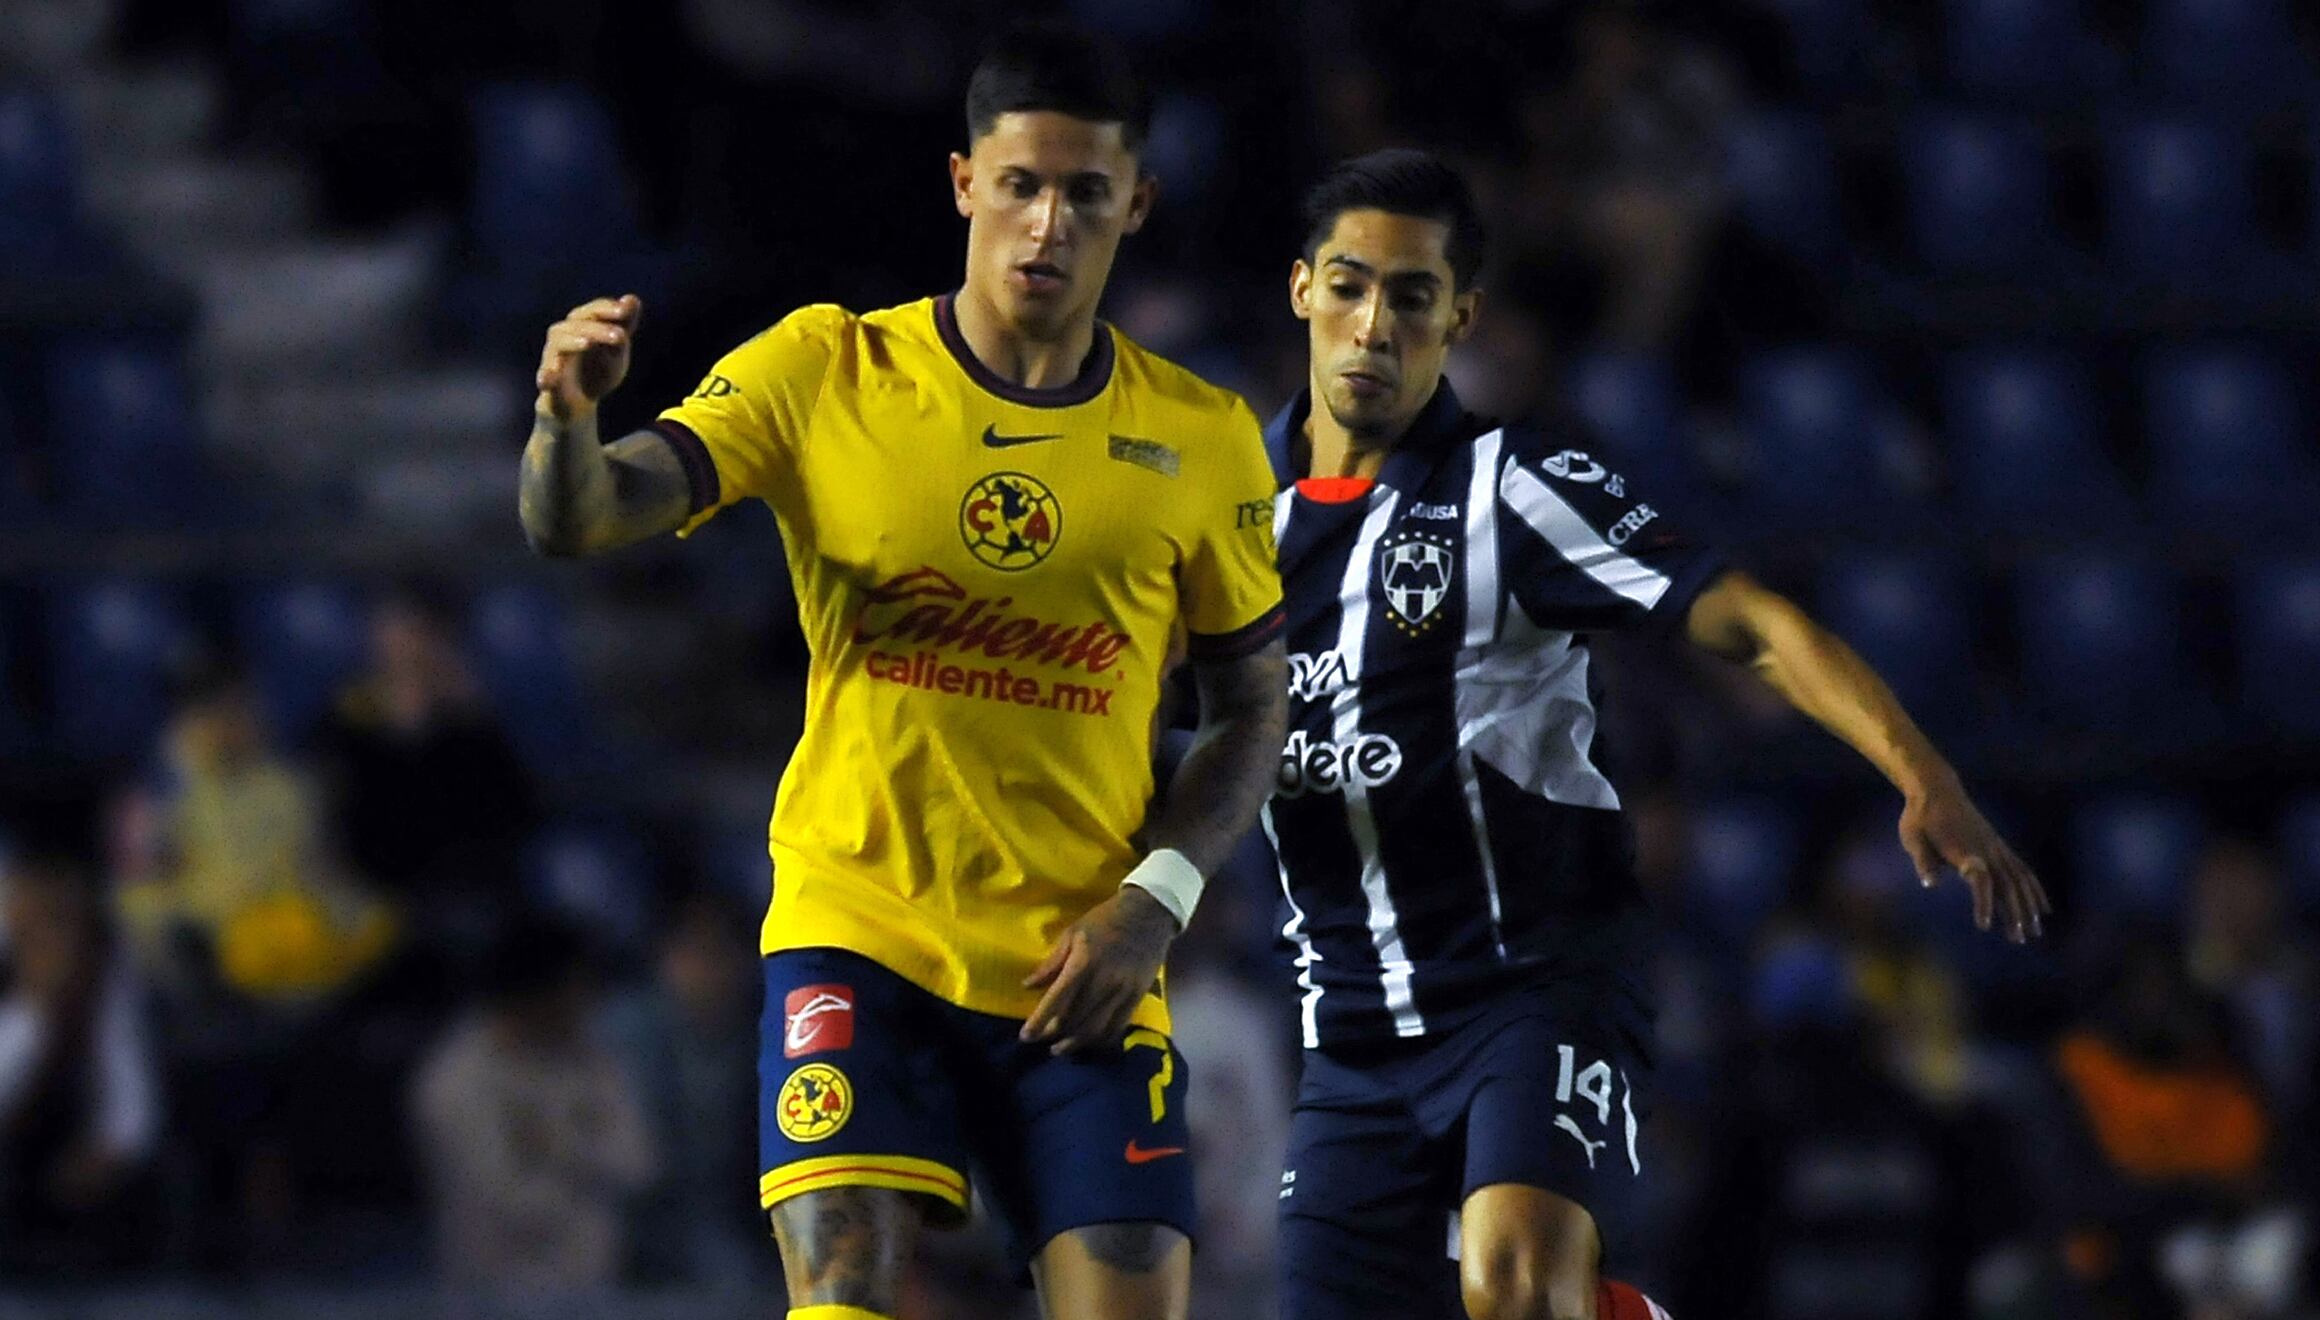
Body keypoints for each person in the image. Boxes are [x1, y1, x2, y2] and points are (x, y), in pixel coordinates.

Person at [514, 23, 1287, 1320]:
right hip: (857, 929)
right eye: (1023, 185)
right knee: (846, 1291)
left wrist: (1153, 901)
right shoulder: (828, 369)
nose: (1049, 224)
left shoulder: (1200, 438)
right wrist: (564, 421)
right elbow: (579, 518)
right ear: (964, 184)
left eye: (1087, 193)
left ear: (1136, 203)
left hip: (1078, 960)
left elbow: (1252, 710)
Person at [1261, 149, 2049, 1320]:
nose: (1375, 322)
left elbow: (1754, 624)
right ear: (1301, 292)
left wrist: (1922, 774)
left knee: (1511, 1285)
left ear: (1458, 318)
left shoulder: (1512, 485)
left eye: (1413, 294)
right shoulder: (1223, 520)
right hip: (1350, 1026)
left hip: (1531, 987)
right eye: (1351, 284)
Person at [411, 915, 657, 1293]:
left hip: (601, 1291)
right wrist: (585, 1155)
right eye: (578, 987)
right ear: (540, 993)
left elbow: (638, 1165)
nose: (588, 1001)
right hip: (491, 1294)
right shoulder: (458, 1078)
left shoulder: (592, 1059)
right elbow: (508, 1197)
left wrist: (555, 1144)